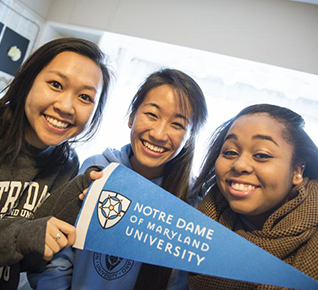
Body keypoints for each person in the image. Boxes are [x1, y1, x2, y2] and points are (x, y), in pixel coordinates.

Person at [28, 68, 208, 290]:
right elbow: (57, 248)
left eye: (178, 124)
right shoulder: (97, 168)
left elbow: (178, 282)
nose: (159, 134)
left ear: (189, 137)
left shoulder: (192, 202)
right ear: (132, 116)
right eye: (152, 115)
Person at [0, 37, 112, 290]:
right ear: (27, 80)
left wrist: (73, 202)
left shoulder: (67, 164)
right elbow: (21, 239)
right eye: (55, 84)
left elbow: (25, 259)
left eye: (85, 97)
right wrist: (20, 234)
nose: (65, 106)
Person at [188, 104, 318, 289]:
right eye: (230, 152)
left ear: (297, 170)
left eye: (261, 155)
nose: (240, 165)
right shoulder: (194, 226)